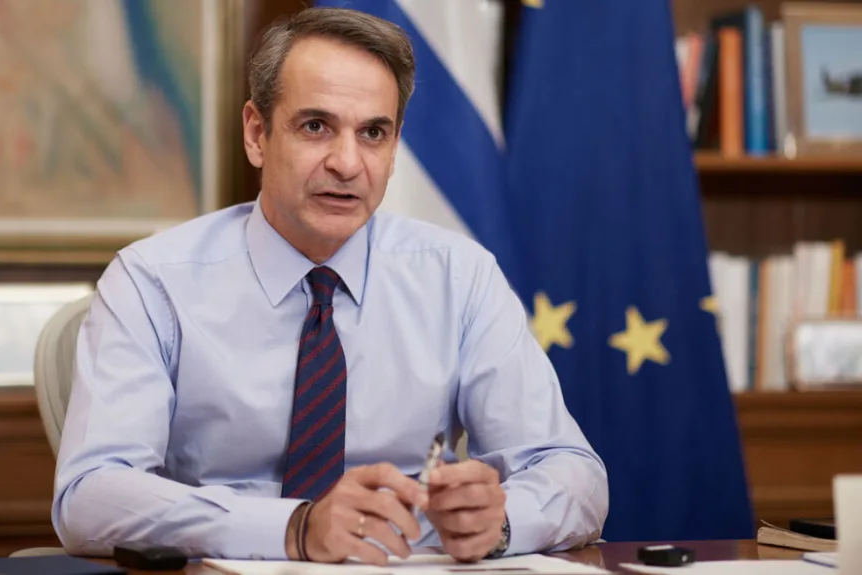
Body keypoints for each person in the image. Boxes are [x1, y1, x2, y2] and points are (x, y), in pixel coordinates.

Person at [52, 6, 608, 565]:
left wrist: (502, 522)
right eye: (316, 126)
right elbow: (90, 495)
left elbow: (573, 472)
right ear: (257, 134)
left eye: (373, 133)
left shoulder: (459, 277)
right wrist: (296, 528)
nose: (347, 163)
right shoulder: (153, 282)